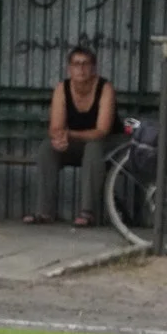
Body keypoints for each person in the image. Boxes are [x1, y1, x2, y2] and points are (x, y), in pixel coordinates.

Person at [23, 46, 122, 227]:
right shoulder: (62, 88)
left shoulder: (105, 88)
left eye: (86, 64)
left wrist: (69, 134)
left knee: (93, 147)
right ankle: (44, 211)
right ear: (69, 68)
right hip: (77, 143)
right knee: (47, 147)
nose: (81, 69)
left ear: (94, 67)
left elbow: (102, 130)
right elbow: (55, 126)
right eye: (76, 64)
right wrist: (59, 138)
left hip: (108, 144)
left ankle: (87, 212)